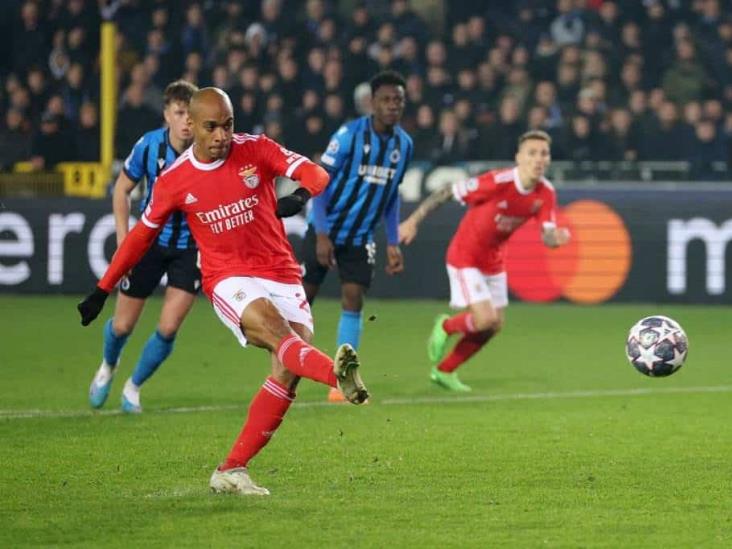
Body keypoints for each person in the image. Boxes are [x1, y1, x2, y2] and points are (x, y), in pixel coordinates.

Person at [77, 87, 369, 496]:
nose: (221, 136)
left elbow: (317, 174)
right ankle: (336, 375)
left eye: (228, 125)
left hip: (281, 271)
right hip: (228, 278)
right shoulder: (174, 180)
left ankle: (232, 469)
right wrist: (102, 288)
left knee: (287, 372)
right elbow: (140, 238)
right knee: (277, 334)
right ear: (191, 126)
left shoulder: (257, 149)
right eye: (211, 127)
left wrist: (299, 195)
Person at [399, 130, 570, 391]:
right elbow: (447, 191)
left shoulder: (545, 193)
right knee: (485, 319)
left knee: (494, 326)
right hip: (465, 257)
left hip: (494, 262)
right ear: (519, 157)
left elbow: (547, 236)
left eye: (544, 153)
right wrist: (413, 220)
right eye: (532, 153)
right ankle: (445, 325)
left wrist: (556, 238)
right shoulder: (497, 181)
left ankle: (444, 371)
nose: (538, 159)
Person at [87, 80, 200, 414]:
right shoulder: (149, 146)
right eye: (179, 113)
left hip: (190, 249)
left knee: (168, 328)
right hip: (149, 242)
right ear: (167, 114)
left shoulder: (207, 152)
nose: (186, 121)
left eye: (190, 114)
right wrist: (125, 241)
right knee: (122, 326)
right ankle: (108, 366)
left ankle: (133, 387)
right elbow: (121, 189)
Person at [300, 70, 413, 402]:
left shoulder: (403, 145)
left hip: (360, 236)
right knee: (302, 301)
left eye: (399, 100)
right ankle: (287, 366)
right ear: (372, 103)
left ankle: (341, 380)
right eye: (387, 100)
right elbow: (319, 182)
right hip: (326, 228)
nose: (393, 106)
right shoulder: (349, 135)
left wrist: (392, 241)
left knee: (353, 299)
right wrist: (321, 234)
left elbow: (392, 196)